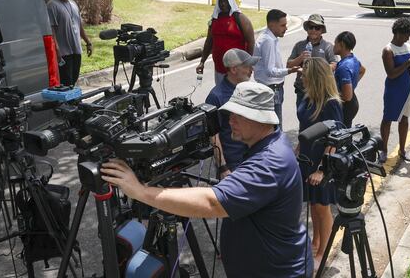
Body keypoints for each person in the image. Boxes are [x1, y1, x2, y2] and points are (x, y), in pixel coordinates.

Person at [101, 82, 313, 278]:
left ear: (261, 119)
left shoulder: (270, 161)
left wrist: (139, 192)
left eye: (238, 115)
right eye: (230, 114)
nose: (230, 121)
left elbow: (212, 202)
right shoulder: (266, 144)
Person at [296, 57, 343, 267]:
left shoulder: (331, 103)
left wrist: (323, 169)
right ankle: (316, 242)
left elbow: (335, 138)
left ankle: (323, 253)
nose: (301, 77)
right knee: (313, 205)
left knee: (323, 207)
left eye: (305, 75)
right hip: (306, 160)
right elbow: (304, 128)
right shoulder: (308, 98)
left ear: (314, 77)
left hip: (322, 164)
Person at [205, 48, 258, 176]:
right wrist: (223, 167)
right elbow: (213, 136)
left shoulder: (248, 89)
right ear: (234, 69)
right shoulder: (216, 97)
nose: (252, 70)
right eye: (247, 66)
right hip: (233, 164)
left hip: (252, 157)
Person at [380, 17, 410, 163]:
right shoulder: (388, 50)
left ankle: (402, 150)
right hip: (393, 89)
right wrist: (406, 64)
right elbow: (391, 74)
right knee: (387, 119)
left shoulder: (409, 47)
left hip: (407, 88)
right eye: (406, 34)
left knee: (404, 119)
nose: (408, 38)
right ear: (398, 32)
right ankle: (384, 149)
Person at [253, 9, 300, 130]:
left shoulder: (268, 37)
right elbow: (270, 71)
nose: (286, 28)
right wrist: (289, 70)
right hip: (272, 89)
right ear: (271, 25)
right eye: (283, 25)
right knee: (276, 127)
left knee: (270, 126)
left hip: (271, 88)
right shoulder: (268, 41)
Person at [197, 0, 255, 85]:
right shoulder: (214, 21)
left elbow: (251, 42)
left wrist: (248, 64)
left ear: (230, 2)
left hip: (237, 69)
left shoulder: (240, 19)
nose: (223, 4)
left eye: (225, 1)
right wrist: (202, 62)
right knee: (221, 95)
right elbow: (209, 42)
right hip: (219, 68)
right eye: (221, 2)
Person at [47, 0, 92, 86]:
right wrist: (56, 50)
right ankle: (68, 103)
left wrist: (88, 42)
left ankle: (73, 102)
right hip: (63, 53)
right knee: (66, 81)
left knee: (74, 79)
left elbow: (79, 26)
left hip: (76, 50)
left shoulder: (73, 4)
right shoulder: (52, 6)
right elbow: (51, 29)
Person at [288, 14, 339, 107]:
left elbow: (334, 64)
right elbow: (289, 65)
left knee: (320, 119)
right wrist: (300, 57)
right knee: (303, 118)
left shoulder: (328, 47)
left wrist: (317, 70)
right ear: (307, 28)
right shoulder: (299, 45)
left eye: (317, 28)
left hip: (321, 90)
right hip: (302, 90)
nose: (313, 30)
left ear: (322, 30)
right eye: (311, 27)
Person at [333, 31, 366, 127]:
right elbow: (362, 70)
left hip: (345, 106)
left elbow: (347, 96)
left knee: (341, 136)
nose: (333, 47)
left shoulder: (344, 67)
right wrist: (352, 85)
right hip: (352, 104)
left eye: (335, 44)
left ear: (342, 44)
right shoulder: (353, 59)